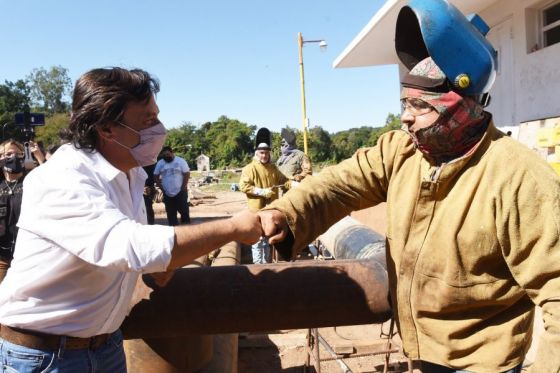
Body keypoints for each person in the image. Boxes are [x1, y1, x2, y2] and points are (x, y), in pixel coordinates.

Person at [258, 1, 560, 372]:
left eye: (420, 105)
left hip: (482, 364)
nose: (405, 116)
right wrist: (287, 213)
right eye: (404, 101)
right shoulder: (401, 151)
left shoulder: (518, 178)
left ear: (461, 104)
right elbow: (339, 186)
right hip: (418, 353)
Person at [0, 67, 262, 372]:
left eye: (157, 117)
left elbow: (116, 252)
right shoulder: (63, 177)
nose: (159, 129)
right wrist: (233, 227)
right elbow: (130, 244)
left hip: (106, 345)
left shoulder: (131, 173)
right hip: (45, 356)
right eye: (147, 120)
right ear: (107, 128)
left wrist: (147, 274)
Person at [240, 127, 289, 264]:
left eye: (267, 153)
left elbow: (284, 181)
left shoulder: (273, 168)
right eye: (262, 153)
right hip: (257, 212)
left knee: (268, 239)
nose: (264, 155)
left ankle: (266, 265)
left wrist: (293, 183)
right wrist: (261, 191)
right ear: (257, 153)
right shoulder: (250, 169)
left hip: (271, 211)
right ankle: (258, 267)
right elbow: (244, 186)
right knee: (257, 241)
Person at [0, 140, 26, 283]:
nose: (14, 157)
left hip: (28, 255)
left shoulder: (32, 181)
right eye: (8, 154)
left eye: (18, 154)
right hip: (2, 257)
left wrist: (40, 158)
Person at [154, 146, 191, 225]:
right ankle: (175, 232)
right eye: (164, 155)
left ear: (172, 153)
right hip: (167, 193)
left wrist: (183, 187)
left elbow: (187, 173)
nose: (166, 157)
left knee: (184, 213)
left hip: (180, 192)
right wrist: (162, 188)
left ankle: (187, 231)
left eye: (167, 154)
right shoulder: (160, 163)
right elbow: (155, 175)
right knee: (171, 215)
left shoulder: (180, 161)